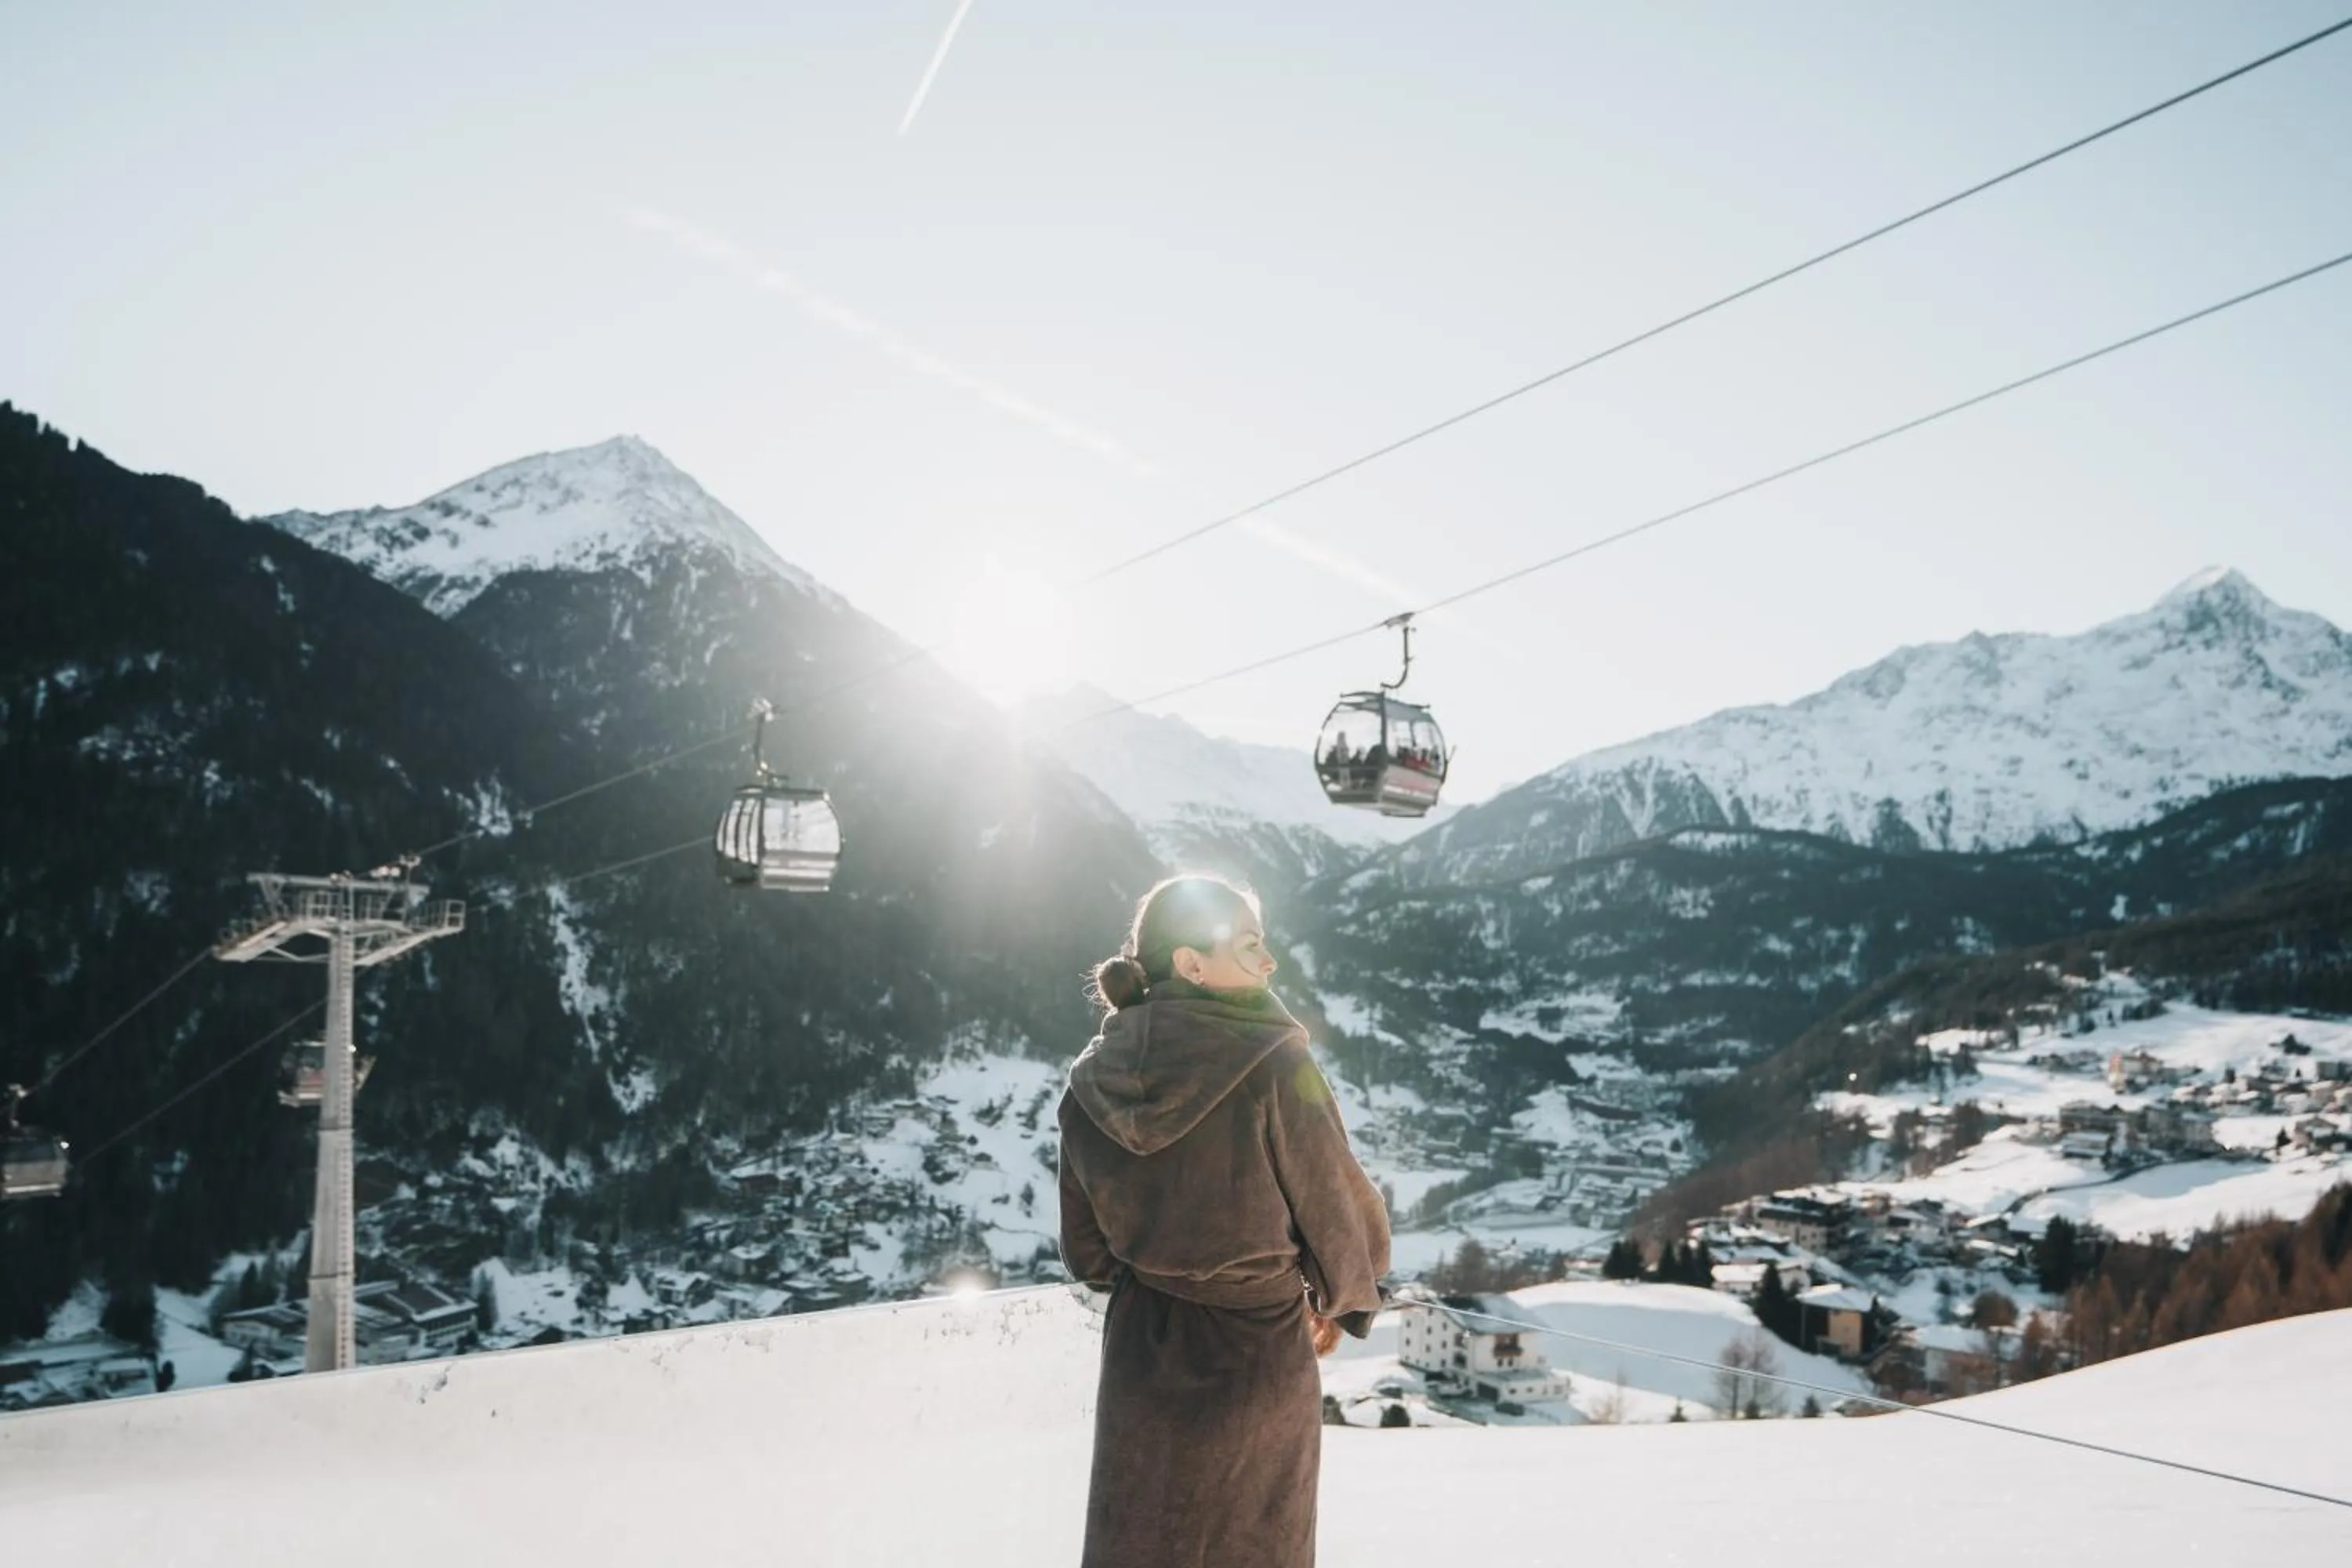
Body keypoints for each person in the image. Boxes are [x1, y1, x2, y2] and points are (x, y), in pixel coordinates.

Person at [1058, 875, 1391, 1568]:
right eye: (1249, 945)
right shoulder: (1274, 1064)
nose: (1269, 962)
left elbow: (1088, 1257)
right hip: (1256, 1357)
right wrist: (1347, 1299)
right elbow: (1338, 1208)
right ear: (1191, 963)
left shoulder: (1093, 1081)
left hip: (1140, 1361)